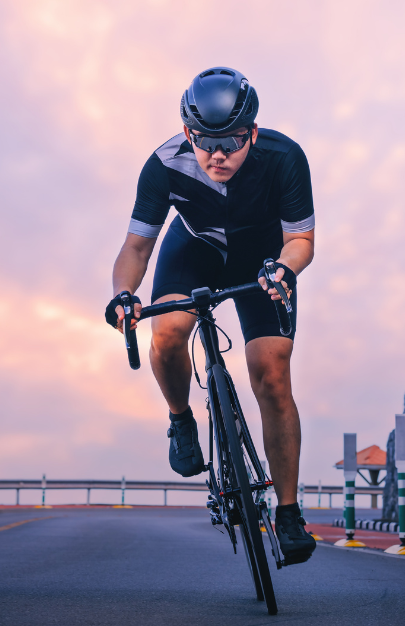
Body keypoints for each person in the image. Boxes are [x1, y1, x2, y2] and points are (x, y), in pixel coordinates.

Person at [105, 67, 317, 564]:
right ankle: (181, 420)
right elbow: (137, 247)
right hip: (194, 248)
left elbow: (301, 241)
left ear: (254, 134)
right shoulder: (162, 165)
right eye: (205, 141)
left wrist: (285, 270)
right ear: (187, 133)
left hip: (264, 259)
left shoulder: (284, 158)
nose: (218, 154)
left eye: (233, 142)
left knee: (273, 375)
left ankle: (287, 513)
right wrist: (123, 294)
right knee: (168, 333)